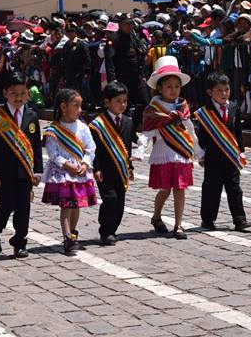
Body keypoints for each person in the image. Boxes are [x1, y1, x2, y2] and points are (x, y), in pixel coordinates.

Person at [141, 56, 200, 239]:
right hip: (164, 152)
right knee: (165, 190)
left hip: (181, 152)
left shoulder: (183, 107)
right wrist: (139, 150)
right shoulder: (154, 108)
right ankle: (157, 215)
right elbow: (148, 132)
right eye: (169, 86)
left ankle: (179, 225)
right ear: (159, 88)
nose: (173, 90)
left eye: (177, 86)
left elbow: (190, 129)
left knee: (180, 189)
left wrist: (199, 152)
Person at [0, 73, 43, 259]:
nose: (18, 97)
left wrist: (37, 170)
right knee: (6, 204)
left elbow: (35, 146)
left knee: (23, 208)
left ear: (28, 94)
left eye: (23, 93)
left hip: (25, 171)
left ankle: (19, 242)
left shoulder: (32, 115)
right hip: (5, 171)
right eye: (13, 93)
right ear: (5, 93)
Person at [192, 72, 250, 231]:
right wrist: (201, 154)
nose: (224, 94)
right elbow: (201, 137)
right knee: (211, 189)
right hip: (213, 157)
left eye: (227, 90)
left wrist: (242, 151)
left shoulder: (233, 107)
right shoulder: (204, 112)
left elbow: (238, 132)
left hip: (231, 156)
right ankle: (208, 219)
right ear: (210, 92)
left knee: (235, 188)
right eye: (219, 90)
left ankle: (240, 219)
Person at [42, 88, 97, 255]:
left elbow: (90, 147)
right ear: (64, 107)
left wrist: (86, 164)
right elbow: (52, 153)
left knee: (76, 204)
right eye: (76, 105)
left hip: (80, 171)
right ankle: (67, 237)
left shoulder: (83, 127)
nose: (80, 110)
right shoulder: (54, 129)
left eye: (80, 106)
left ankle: (73, 232)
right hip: (63, 173)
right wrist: (66, 165)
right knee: (66, 204)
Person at [88, 81, 139, 246]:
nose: (122, 104)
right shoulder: (97, 124)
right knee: (110, 199)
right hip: (104, 170)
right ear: (107, 102)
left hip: (121, 169)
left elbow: (128, 148)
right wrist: (96, 168)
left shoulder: (128, 121)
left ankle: (113, 229)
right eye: (118, 101)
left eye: (125, 100)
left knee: (120, 202)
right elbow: (92, 150)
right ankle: (106, 231)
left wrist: (130, 167)